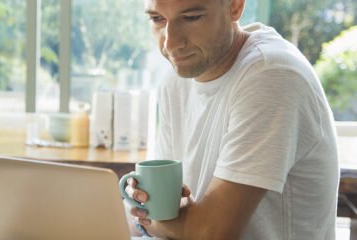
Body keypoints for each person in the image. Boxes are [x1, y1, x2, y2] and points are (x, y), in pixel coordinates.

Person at [124, 0, 339, 239]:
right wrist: (148, 214)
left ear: (234, 7)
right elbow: (153, 209)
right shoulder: (176, 79)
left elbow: (212, 234)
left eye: (192, 17)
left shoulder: (271, 75)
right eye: (157, 19)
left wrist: (147, 220)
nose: (170, 43)